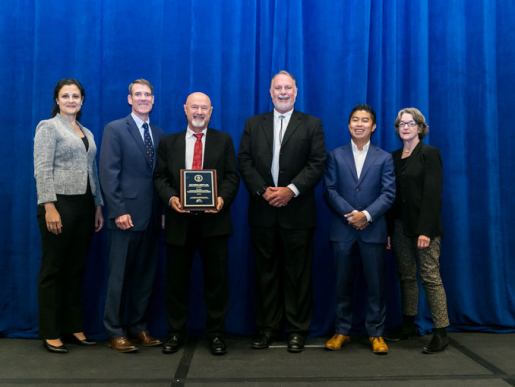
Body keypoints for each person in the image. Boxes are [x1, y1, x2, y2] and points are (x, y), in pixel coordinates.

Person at [238, 71, 326, 353]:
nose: (283, 92)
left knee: (297, 274)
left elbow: (317, 163)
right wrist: (264, 190)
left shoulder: (312, 124)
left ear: (296, 92)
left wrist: (291, 190)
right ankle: (267, 328)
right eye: (278, 88)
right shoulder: (254, 123)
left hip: (297, 212)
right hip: (262, 211)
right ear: (270, 92)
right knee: (265, 273)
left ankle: (297, 330)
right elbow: (245, 160)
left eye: (288, 88)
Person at [153, 92, 239, 356]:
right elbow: (160, 178)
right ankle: (176, 332)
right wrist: (171, 199)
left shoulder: (223, 140)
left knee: (217, 283)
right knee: (176, 283)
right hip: (179, 222)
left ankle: (216, 334)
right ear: (185, 110)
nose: (199, 112)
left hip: (215, 223)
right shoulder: (169, 142)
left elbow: (232, 177)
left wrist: (222, 199)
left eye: (204, 107)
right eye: (194, 107)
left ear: (211, 111)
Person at [34, 78, 104, 354]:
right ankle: (50, 331)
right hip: (58, 204)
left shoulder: (86, 131)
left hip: (85, 206)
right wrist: (49, 206)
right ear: (57, 100)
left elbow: (93, 172)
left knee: (75, 270)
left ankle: (74, 327)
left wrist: (98, 205)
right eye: (66, 96)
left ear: (83, 100)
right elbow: (42, 168)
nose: (71, 100)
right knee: (53, 269)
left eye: (76, 96)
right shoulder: (48, 127)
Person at [99, 79, 165, 353]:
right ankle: (115, 330)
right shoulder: (115, 129)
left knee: (144, 276)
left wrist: (162, 213)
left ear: (153, 99)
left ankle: (138, 327)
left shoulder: (159, 134)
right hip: (125, 216)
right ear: (129, 99)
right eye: (138, 94)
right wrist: (118, 211)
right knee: (119, 276)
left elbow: (160, 178)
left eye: (147, 94)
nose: (143, 98)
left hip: (151, 217)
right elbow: (108, 173)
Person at [323, 104, 395, 355]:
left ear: (373, 126)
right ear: (348, 125)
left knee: (376, 285)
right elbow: (329, 190)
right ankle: (342, 331)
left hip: (373, 231)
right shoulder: (334, 155)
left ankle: (376, 333)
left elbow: (389, 194)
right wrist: (351, 216)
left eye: (365, 120)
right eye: (355, 119)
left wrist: (366, 215)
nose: (360, 123)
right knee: (342, 283)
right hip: (342, 231)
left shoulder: (384, 158)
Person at [385, 107, 449, 354]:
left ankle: (441, 332)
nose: (406, 127)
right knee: (407, 276)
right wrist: (390, 231)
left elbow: (433, 195)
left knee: (430, 277)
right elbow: (391, 198)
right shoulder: (392, 157)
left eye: (411, 123)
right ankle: (408, 325)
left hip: (425, 228)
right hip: (400, 227)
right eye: (402, 124)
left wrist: (425, 231)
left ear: (420, 127)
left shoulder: (430, 154)